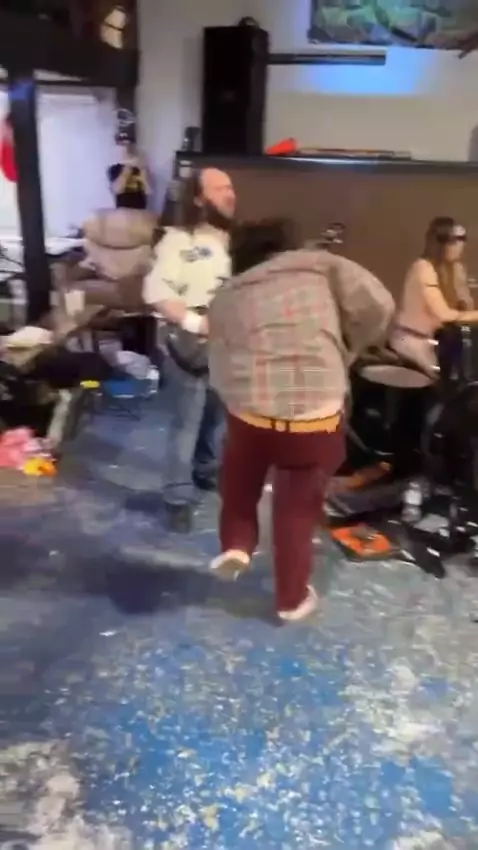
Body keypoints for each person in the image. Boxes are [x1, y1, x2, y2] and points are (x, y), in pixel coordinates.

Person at [207, 219, 395, 621]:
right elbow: (379, 305)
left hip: (253, 414)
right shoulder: (320, 266)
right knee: (296, 509)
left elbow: (218, 360)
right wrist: (349, 345)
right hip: (314, 413)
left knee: (239, 478)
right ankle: (290, 601)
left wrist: (235, 399)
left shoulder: (227, 294)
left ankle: (236, 543)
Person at [143, 168, 235, 532]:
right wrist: (196, 323)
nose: (230, 194)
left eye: (231, 187)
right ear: (199, 198)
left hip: (229, 341)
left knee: (217, 416)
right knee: (187, 421)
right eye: (220, 188)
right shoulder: (177, 240)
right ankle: (177, 497)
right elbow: (157, 292)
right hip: (188, 340)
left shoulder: (237, 242)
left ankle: (205, 471)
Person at [389, 217, 478, 377]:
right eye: (451, 239)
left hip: (439, 341)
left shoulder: (456, 269)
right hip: (415, 342)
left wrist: (463, 292)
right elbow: (444, 315)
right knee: (451, 378)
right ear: (436, 241)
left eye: (462, 239)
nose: (458, 245)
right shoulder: (423, 269)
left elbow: (465, 308)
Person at [108, 139, 150, 210]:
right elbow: (116, 190)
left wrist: (144, 179)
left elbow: (149, 191)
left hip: (140, 210)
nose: (127, 148)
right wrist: (128, 167)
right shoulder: (114, 169)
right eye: (123, 145)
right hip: (123, 211)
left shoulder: (141, 168)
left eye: (129, 145)